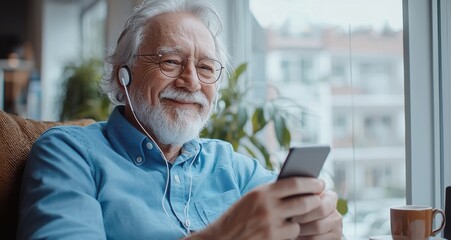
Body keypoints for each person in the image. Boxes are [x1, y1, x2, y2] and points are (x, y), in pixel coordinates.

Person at [17, 0, 342, 239]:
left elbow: (304, 217)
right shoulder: (70, 154)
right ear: (123, 77)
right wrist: (226, 234)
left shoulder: (232, 166)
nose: (192, 82)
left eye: (205, 68)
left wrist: (321, 220)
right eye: (171, 62)